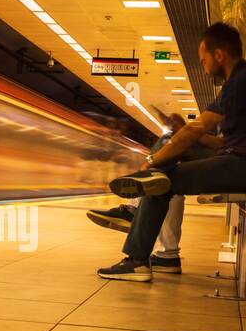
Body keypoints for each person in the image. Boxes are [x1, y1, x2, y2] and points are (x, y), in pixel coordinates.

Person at [96, 22, 246, 282]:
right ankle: (136, 213)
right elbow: (214, 141)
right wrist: (182, 134)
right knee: (169, 139)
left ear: (218, 55)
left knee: (160, 182)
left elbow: (195, 131)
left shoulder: (241, 82)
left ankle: (137, 259)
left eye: (204, 60)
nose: (204, 66)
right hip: (245, 162)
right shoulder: (244, 81)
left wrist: (153, 160)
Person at [84, 112, 202, 272]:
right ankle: (167, 256)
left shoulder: (235, 91)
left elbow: (202, 134)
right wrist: (184, 130)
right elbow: (211, 138)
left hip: (235, 164)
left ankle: (134, 214)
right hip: (231, 158)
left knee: (164, 166)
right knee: (167, 179)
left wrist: (150, 161)